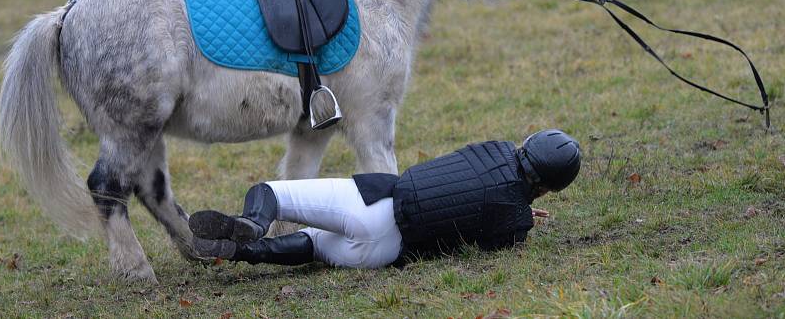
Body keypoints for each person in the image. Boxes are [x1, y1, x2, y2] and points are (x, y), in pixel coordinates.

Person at [189, 129, 581, 269]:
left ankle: (254, 224)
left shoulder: (494, 148)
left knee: (270, 192)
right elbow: (492, 222)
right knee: (313, 247)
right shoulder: (517, 225)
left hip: (375, 200)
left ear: (527, 146)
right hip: (384, 252)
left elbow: (476, 177)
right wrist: (523, 214)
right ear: (550, 187)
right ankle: (241, 253)